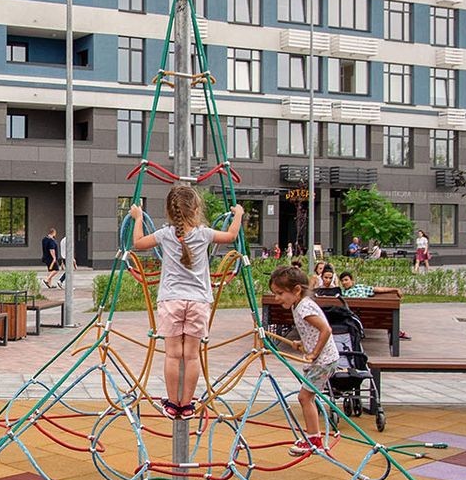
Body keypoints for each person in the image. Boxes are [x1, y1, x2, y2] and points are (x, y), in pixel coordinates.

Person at [129, 187, 244, 420]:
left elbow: (138, 243)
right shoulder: (204, 234)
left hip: (171, 300)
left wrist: (138, 217)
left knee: (172, 355)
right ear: (196, 209)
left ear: (170, 211)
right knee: (191, 355)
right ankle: (187, 404)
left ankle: (173, 404)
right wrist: (239, 214)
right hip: (198, 301)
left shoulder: (165, 234)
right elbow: (231, 236)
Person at [268, 265, 338, 456]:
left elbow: (326, 329)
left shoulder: (304, 307)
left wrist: (314, 352)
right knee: (308, 397)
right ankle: (313, 437)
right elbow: (314, 331)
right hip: (323, 359)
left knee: (304, 397)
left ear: (297, 290)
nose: (276, 298)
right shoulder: (299, 305)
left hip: (323, 360)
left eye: (280, 293)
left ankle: (314, 440)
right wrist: (303, 342)